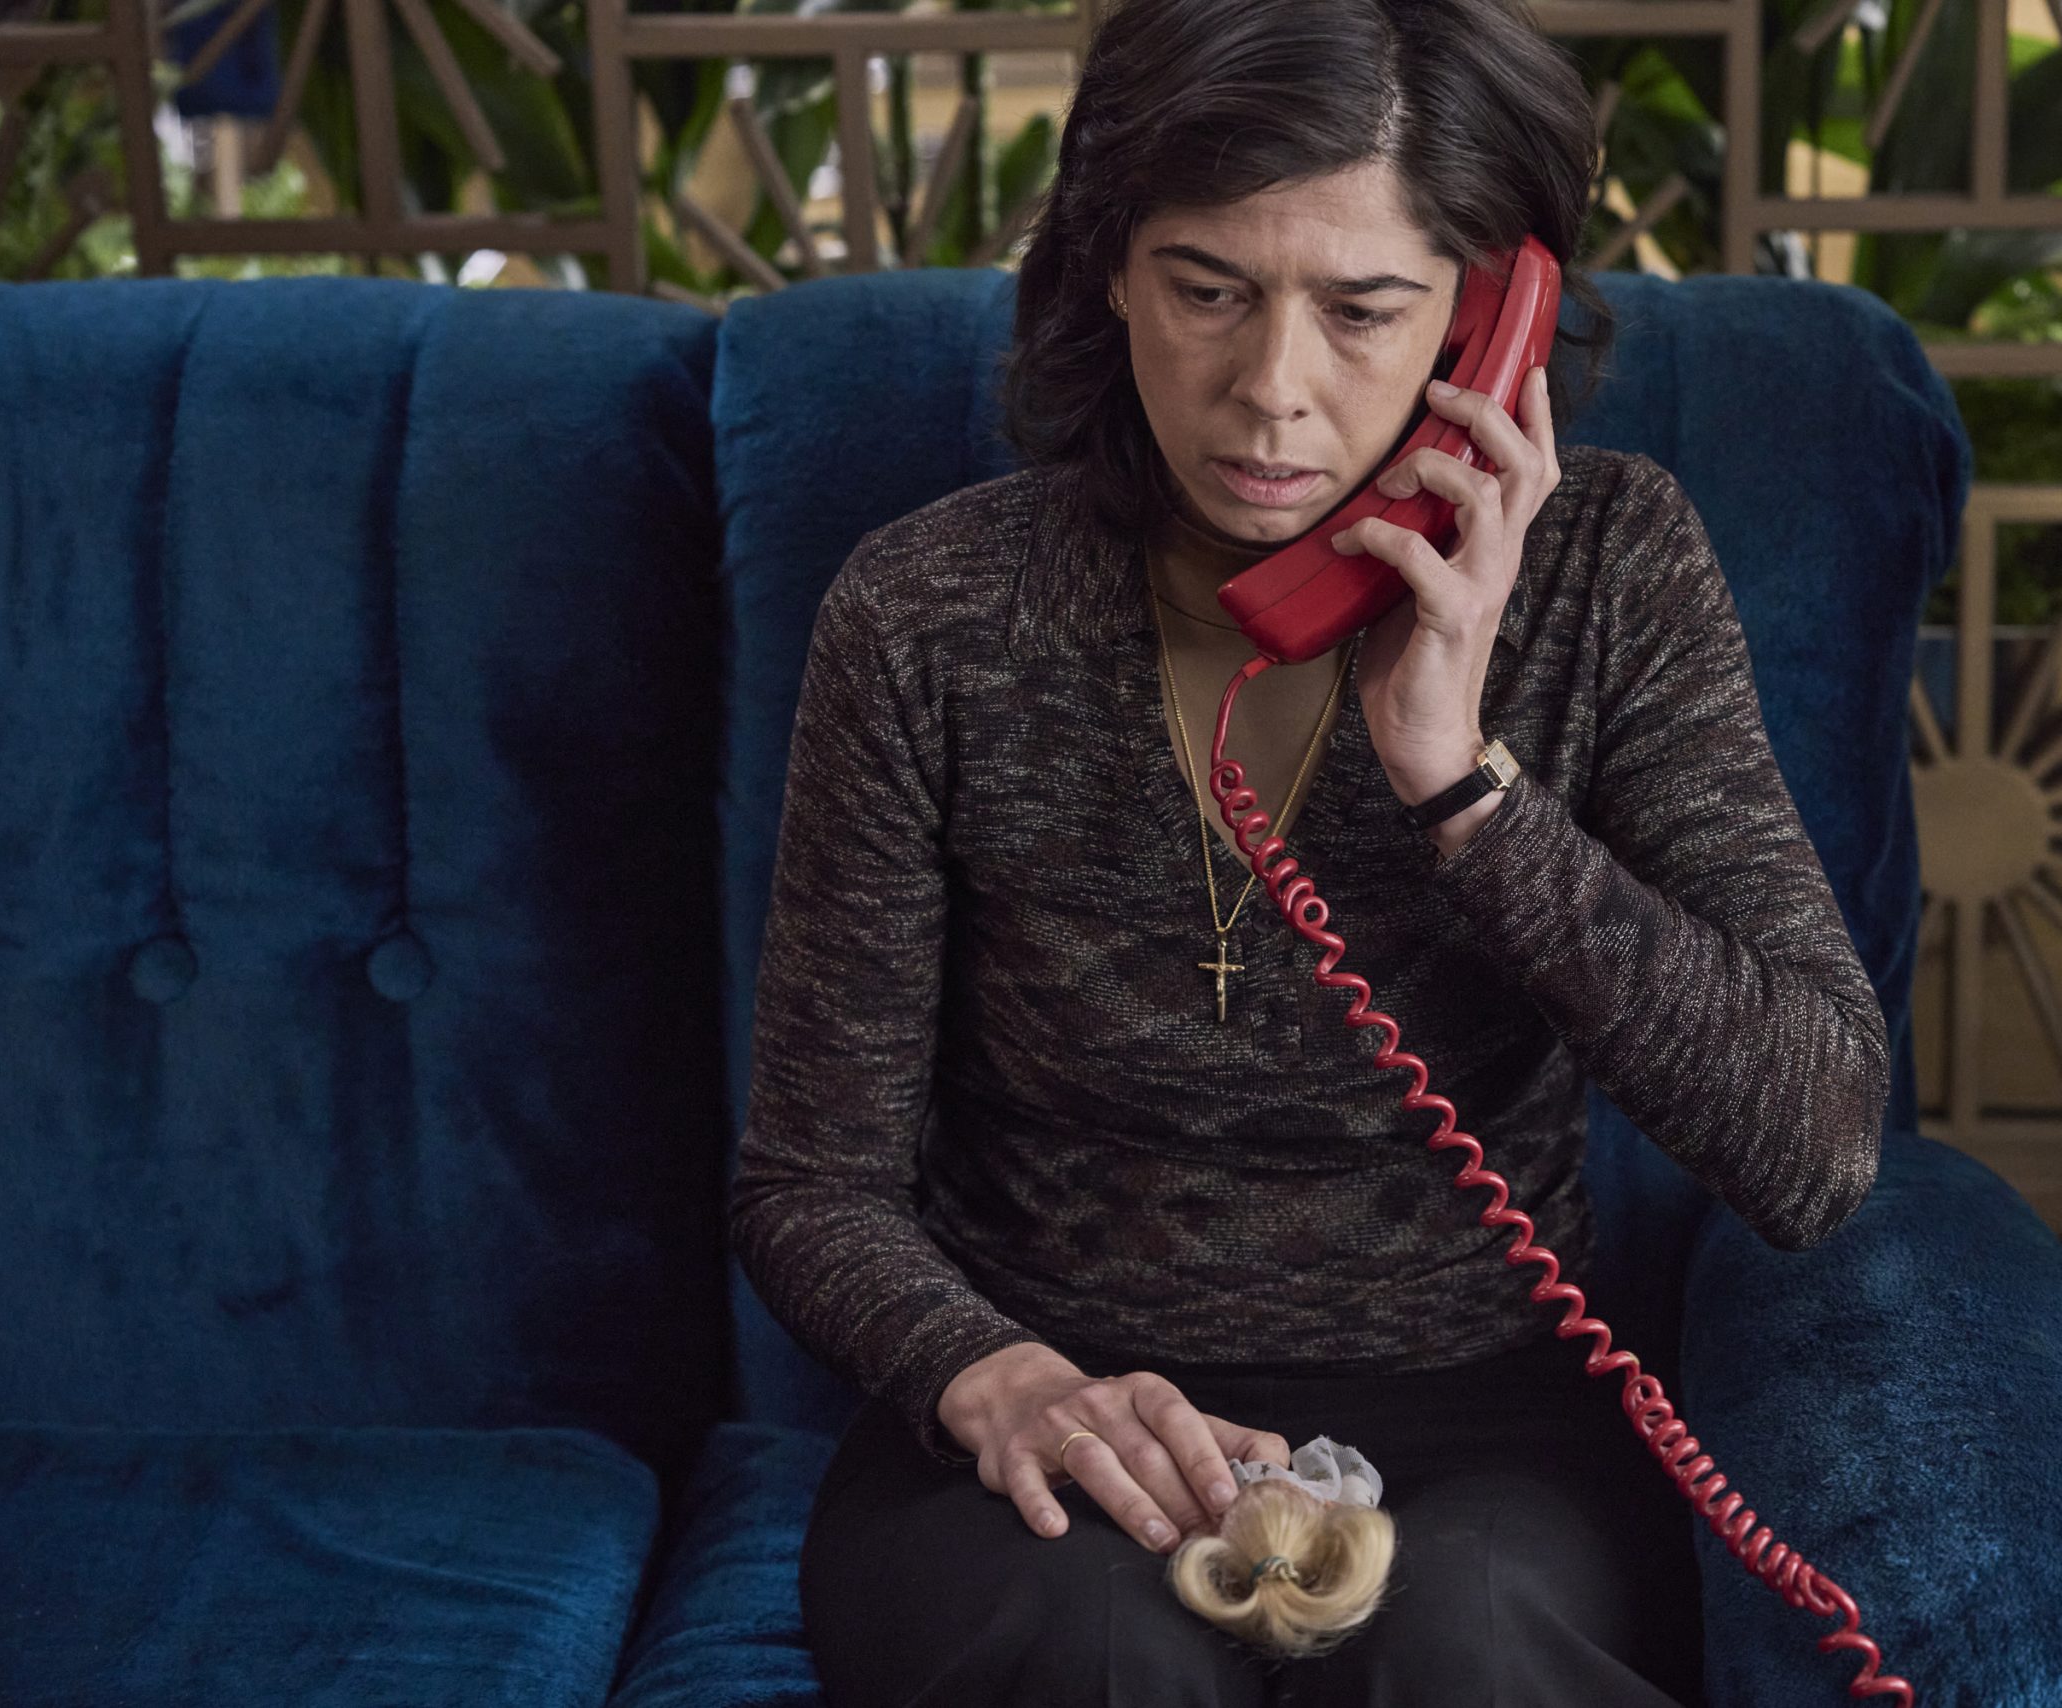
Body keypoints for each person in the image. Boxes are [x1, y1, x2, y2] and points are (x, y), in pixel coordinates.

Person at [729, 0, 1892, 1700]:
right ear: (1109, 271)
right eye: (1206, 290)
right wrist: (997, 1377)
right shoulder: (929, 615)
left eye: (1363, 311)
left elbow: (1814, 1145)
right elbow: (811, 1183)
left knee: (1472, 1653)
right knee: (1099, 1659)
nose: (1271, 393)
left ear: (1487, 319)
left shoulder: (1609, 572)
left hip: (1484, 1413)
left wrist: (1460, 784)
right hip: (1057, 1413)